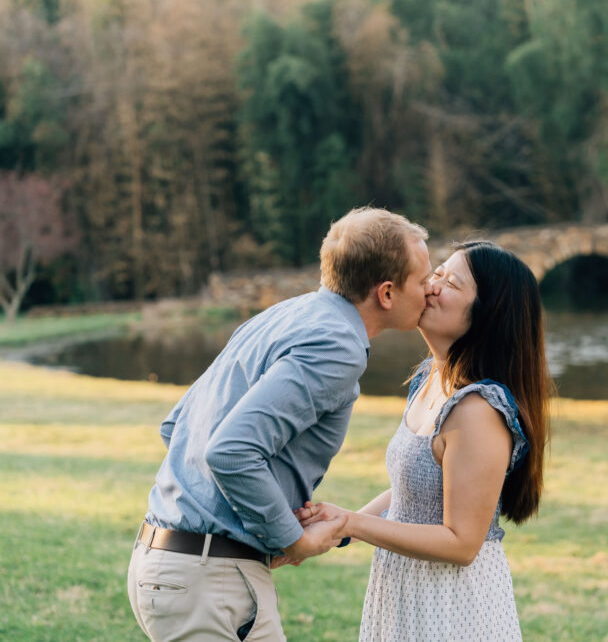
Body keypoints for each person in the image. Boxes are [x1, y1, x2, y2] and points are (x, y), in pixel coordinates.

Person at [126, 207, 435, 641]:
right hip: (208, 580)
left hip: (174, 564)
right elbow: (230, 451)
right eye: (422, 281)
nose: (431, 288)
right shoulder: (338, 345)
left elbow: (177, 427)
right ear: (386, 293)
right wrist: (292, 539)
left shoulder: (285, 314)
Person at [297, 241, 553, 641]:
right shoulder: (430, 379)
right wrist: (341, 525)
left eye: (450, 282)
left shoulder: (477, 410)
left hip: (452, 605)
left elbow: (461, 542)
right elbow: (413, 491)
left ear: (487, 315)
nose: (430, 286)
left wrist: (355, 523)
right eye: (436, 273)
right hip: (403, 589)